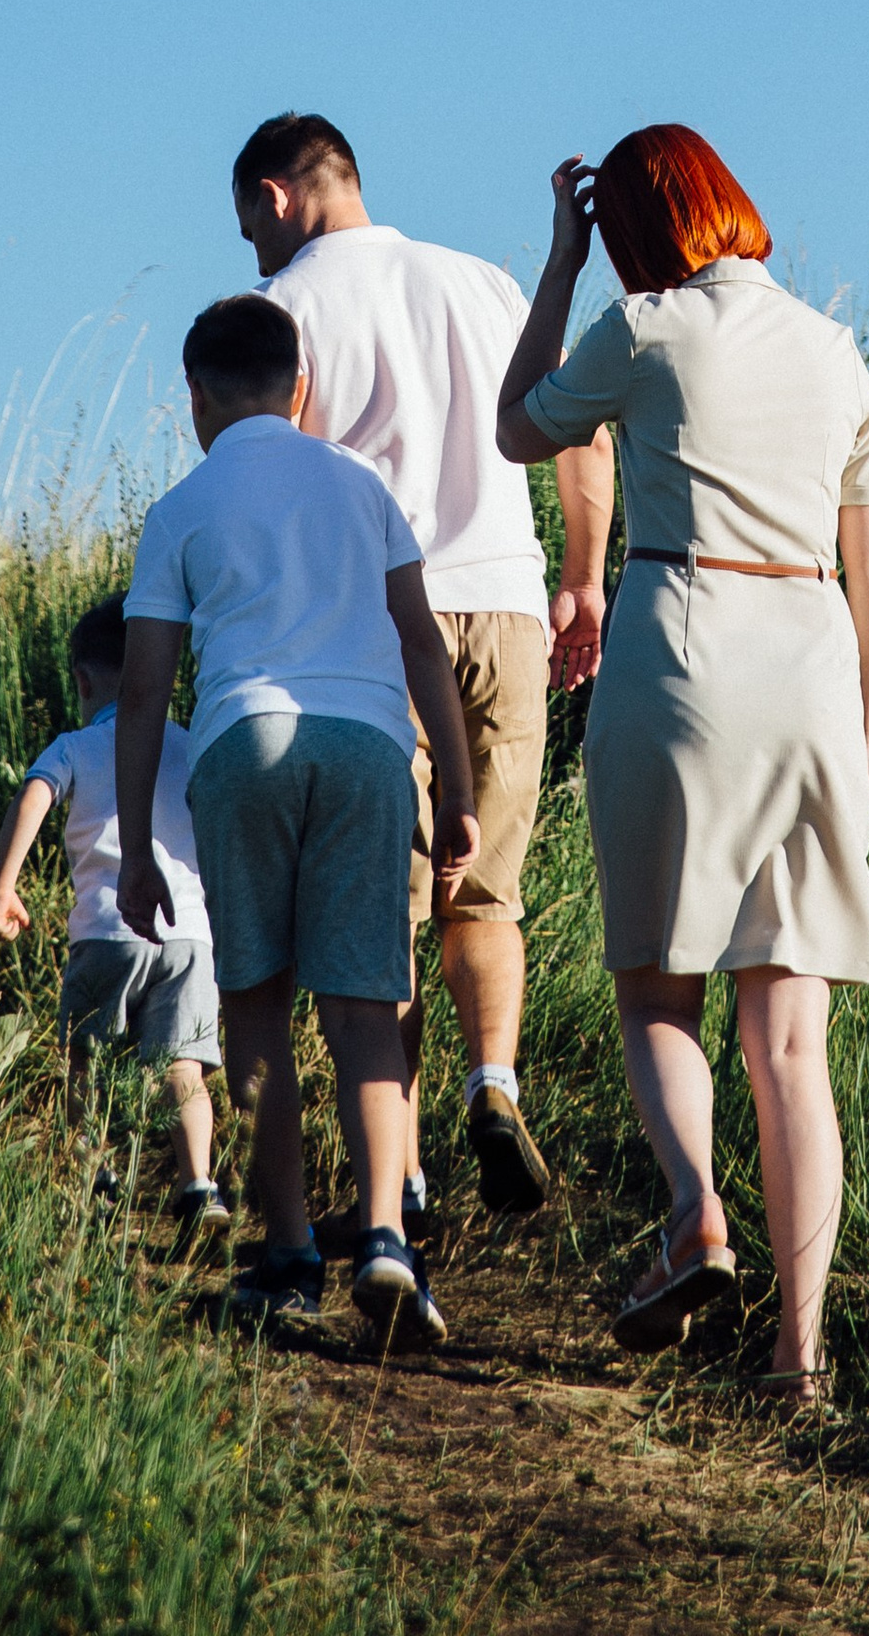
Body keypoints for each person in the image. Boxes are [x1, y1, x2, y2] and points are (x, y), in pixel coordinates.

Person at [494, 126, 869, 1408]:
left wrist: (559, 268)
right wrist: (868, 731)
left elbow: (519, 429)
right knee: (792, 1041)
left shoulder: (648, 327)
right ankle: (800, 1353)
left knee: (660, 992)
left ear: (637, 236)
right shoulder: (838, 352)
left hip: (679, 648)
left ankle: (694, 1220)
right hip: (814, 667)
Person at [232, 109, 614, 1222]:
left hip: (373, 635)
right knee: (487, 896)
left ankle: (398, 1174)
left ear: (277, 196)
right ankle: (492, 1083)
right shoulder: (487, 285)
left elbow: (277, 486)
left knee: (376, 916)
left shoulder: (281, 310)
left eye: (249, 224)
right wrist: (584, 580)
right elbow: (578, 431)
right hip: (504, 605)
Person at [115, 292, 482, 1350]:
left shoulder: (180, 506)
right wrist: (452, 790)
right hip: (368, 746)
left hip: (245, 739)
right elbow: (423, 644)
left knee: (259, 1007)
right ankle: (383, 1239)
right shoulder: (360, 487)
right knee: (367, 1008)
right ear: (300, 384)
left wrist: (138, 845)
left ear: (195, 395)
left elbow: (144, 691)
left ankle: (285, 1255)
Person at [0, 592, 226, 1236]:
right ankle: (200, 1185)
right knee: (184, 1067)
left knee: (87, 1061)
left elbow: (35, 792)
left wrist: (5, 883)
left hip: (105, 930)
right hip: (189, 937)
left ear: (84, 680)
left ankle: (93, 1176)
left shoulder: (76, 746)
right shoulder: (192, 744)